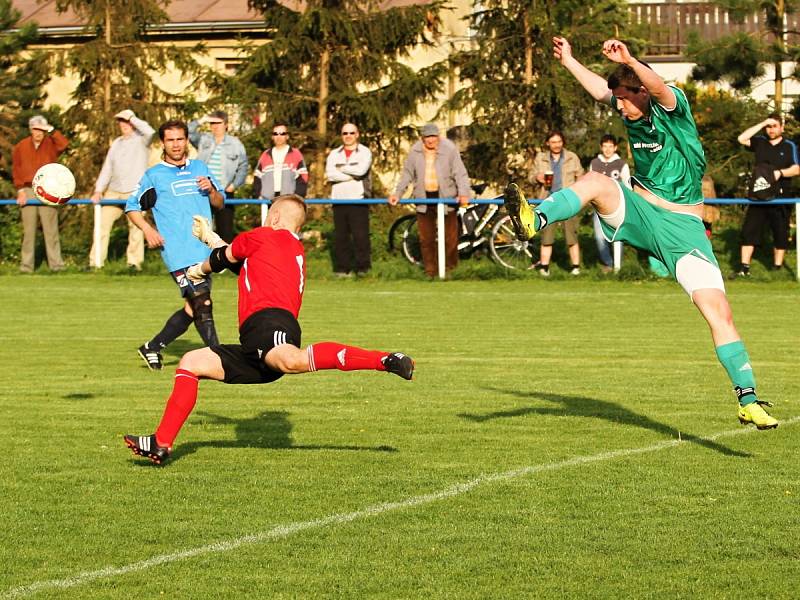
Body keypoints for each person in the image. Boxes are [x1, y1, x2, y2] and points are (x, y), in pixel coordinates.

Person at [502, 37, 778, 430]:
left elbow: (660, 87)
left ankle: (747, 398)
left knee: (718, 313)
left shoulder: (671, 109)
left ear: (642, 91)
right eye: (618, 100)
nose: (621, 107)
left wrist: (630, 59)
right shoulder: (625, 103)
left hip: (685, 231)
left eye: (627, 98)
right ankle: (536, 219)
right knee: (596, 181)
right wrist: (569, 61)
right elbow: (604, 90)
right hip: (641, 213)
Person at [123, 194, 415, 464]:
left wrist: (197, 270)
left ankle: (385, 360)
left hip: (269, 325)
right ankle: (161, 443)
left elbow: (224, 259)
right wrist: (211, 238)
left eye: (267, 217)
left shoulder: (265, 235)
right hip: (255, 344)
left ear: (274, 217)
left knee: (292, 360)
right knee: (191, 363)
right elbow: (244, 264)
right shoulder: (290, 249)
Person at [125, 119, 224, 370]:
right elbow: (132, 207)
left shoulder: (200, 168)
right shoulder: (154, 175)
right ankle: (218, 356)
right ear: (163, 143)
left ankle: (152, 347)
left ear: (187, 140)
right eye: (170, 140)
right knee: (203, 303)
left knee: (193, 309)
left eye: (180, 139)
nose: (176, 144)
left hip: (204, 250)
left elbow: (219, 203)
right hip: (178, 253)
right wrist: (148, 229)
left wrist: (211, 189)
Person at [388, 123, 471, 278]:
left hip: (447, 197)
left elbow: (460, 173)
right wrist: (397, 194)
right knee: (426, 237)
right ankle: (430, 271)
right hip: (424, 197)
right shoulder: (415, 151)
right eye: (427, 137)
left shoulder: (450, 149)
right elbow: (407, 174)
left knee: (450, 236)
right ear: (422, 138)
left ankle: (451, 269)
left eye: (433, 136)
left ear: (438, 136)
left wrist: (463, 193)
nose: (431, 140)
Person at [88, 109, 154, 270]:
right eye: (121, 121)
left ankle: (134, 263)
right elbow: (107, 168)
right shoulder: (116, 143)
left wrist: (131, 117)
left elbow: (150, 131)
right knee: (101, 226)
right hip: (114, 191)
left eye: (127, 121)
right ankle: (95, 263)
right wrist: (98, 190)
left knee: (136, 228)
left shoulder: (142, 140)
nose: (124, 124)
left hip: (134, 191)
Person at [734, 113, 799, 276]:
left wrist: (780, 173)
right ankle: (744, 268)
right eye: (769, 127)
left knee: (780, 232)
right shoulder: (760, 143)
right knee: (749, 231)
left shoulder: (789, 146)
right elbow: (741, 138)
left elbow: (796, 169)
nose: (771, 130)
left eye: (774, 126)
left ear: (782, 128)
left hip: (781, 196)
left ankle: (777, 269)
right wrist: (763, 122)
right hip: (758, 196)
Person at [12, 115, 68, 273]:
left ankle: (56, 265)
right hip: (28, 189)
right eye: (35, 129)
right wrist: (20, 190)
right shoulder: (21, 146)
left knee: (51, 229)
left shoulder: (51, 144)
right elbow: (16, 169)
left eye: (41, 130)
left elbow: (64, 144)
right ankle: (26, 266)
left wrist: (52, 130)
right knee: (28, 232)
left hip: (48, 188)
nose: (38, 133)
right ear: (30, 130)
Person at [188, 110, 249, 243]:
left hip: (224, 193)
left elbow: (243, 166)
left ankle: (226, 262)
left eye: (218, 123)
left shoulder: (235, 143)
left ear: (226, 125)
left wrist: (234, 185)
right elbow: (187, 132)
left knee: (225, 232)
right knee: (202, 230)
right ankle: (203, 261)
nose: (215, 126)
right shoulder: (203, 139)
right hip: (202, 191)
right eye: (212, 123)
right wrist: (201, 120)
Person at [530, 130, 585, 276]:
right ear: (548, 143)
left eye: (559, 142)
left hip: (568, 201)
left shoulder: (572, 157)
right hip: (548, 201)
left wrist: (578, 194)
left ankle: (575, 268)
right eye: (553, 142)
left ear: (563, 142)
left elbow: (581, 176)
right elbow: (531, 177)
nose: (556, 145)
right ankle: (544, 267)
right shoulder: (540, 158)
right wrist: (537, 177)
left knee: (571, 235)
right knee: (546, 237)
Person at [325, 123, 373, 276]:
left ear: (357, 134)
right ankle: (342, 269)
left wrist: (341, 168)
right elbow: (330, 174)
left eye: (352, 133)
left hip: (358, 200)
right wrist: (351, 174)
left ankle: (363, 269)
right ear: (341, 135)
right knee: (341, 238)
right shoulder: (334, 154)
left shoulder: (365, 152)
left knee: (360, 237)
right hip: (338, 200)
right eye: (345, 133)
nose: (348, 136)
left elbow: (361, 171)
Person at [589, 134, 630, 273]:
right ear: (601, 147)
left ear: (615, 147)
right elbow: (590, 184)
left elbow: (627, 186)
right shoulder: (595, 163)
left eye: (610, 146)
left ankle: (618, 269)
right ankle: (608, 263)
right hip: (598, 208)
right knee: (599, 237)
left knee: (617, 237)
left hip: (617, 208)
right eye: (605, 146)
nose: (607, 149)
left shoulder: (621, 164)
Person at [253, 123, 309, 200]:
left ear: (287, 136)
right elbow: (257, 176)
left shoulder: (296, 154)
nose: (279, 136)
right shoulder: (265, 155)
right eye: (276, 134)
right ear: (272, 137)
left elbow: (303, 177)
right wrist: (258, 195)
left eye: (282, 133)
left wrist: (297, 196)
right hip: (267, 200)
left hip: (288, 200)